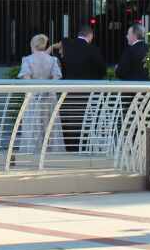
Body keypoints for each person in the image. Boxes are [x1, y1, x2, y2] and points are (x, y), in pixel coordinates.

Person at [57, 21, 106, 151]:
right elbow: (102, 70)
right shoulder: (93, 49)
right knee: (84, 119)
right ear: (90, 36)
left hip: (67, 89)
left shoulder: (67, 44)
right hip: (86, 90)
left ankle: (68, 146)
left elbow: (60, 62)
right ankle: (82, 146)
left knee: (68, 118)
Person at [16, 34, 65, 156]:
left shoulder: (27, 60)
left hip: (34, 98)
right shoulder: (52, 60)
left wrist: (37, 91)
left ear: (33, 45)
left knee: (33, 124)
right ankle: (49, 151)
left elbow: (26, 79)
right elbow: (56, 78)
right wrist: (47, 89)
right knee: (49, 125)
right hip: (49, 98)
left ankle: (32, 150)